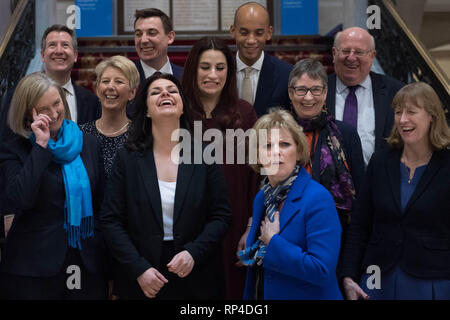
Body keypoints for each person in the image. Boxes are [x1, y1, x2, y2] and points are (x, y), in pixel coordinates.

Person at [100, 73, 232, 300]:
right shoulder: (127, 158)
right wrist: (138, 268)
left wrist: (193, 252)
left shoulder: (203, 154)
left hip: (196, 274)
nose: (165, 93)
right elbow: (111, 220)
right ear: (148, 111)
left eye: (172, 90)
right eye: (155, 91)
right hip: (142, 277)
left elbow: (221, 216)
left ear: (182, 107)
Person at [0, 72, 109, 299]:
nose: (54, 113)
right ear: (26, 113)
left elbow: (103, 204)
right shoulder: (15, 149)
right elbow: (19, 200)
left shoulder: (87, 142)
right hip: (33, 268)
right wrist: (41, 146)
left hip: (85, 263)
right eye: (43, 110)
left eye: (56, 103)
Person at [341, 82, 450, 300]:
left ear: (432, 116)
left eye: (411, 112)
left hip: (432, 281)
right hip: (376, 278)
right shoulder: (381, 161)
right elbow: (361, 225)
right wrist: (348, 276)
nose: (402, 120)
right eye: (398, 112)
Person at [182, 36, 259, 299]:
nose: (212, 75)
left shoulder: (245, 114)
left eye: (220, 67)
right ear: (193, 69)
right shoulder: (178, 114)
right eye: (205, 67)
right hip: (186, 231)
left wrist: (251, 229)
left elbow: (256, 177)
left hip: (235, 227)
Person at [240, 108, 343, 300]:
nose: (276, 152)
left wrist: (274, 243)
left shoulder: (317, 198)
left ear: (298, 152)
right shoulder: (262, 198)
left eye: (285, 144)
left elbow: (322, 270)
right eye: (268, 145)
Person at [288, 58, 365, 229]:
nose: (308, 97)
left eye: (315, 90)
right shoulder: (277, 133)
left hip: (336, 230)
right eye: (301, 90)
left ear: (325, 92)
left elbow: (361, 198)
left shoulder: (346, 134)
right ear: (290, 93)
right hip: (284, 231)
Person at [326, 27, 404, 165]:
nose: (351, 57)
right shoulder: (317, 91)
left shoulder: (396, 92)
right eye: (345, 51)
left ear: (372, 56)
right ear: (334, 53)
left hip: (379, 182)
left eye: (359, 52)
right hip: (328, 184)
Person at [80, 55, 139, 179]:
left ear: (132, 93)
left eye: (119, 81)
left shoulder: (141, 135)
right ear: (96, 90)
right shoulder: (81, 134)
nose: (110, 87)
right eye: (105, 81)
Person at [230, 2, 292, 116]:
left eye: (259, 33)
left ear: (269, 33)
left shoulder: (287, 75)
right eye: (244, 33)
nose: (251, 40)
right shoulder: (220, 72)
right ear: (233, 31)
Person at [133, 8, 183, 83]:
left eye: (152, 33)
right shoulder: (125, 78)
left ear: (170, 37)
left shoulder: (186, 76)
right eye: (138, 34)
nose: (143, 40)